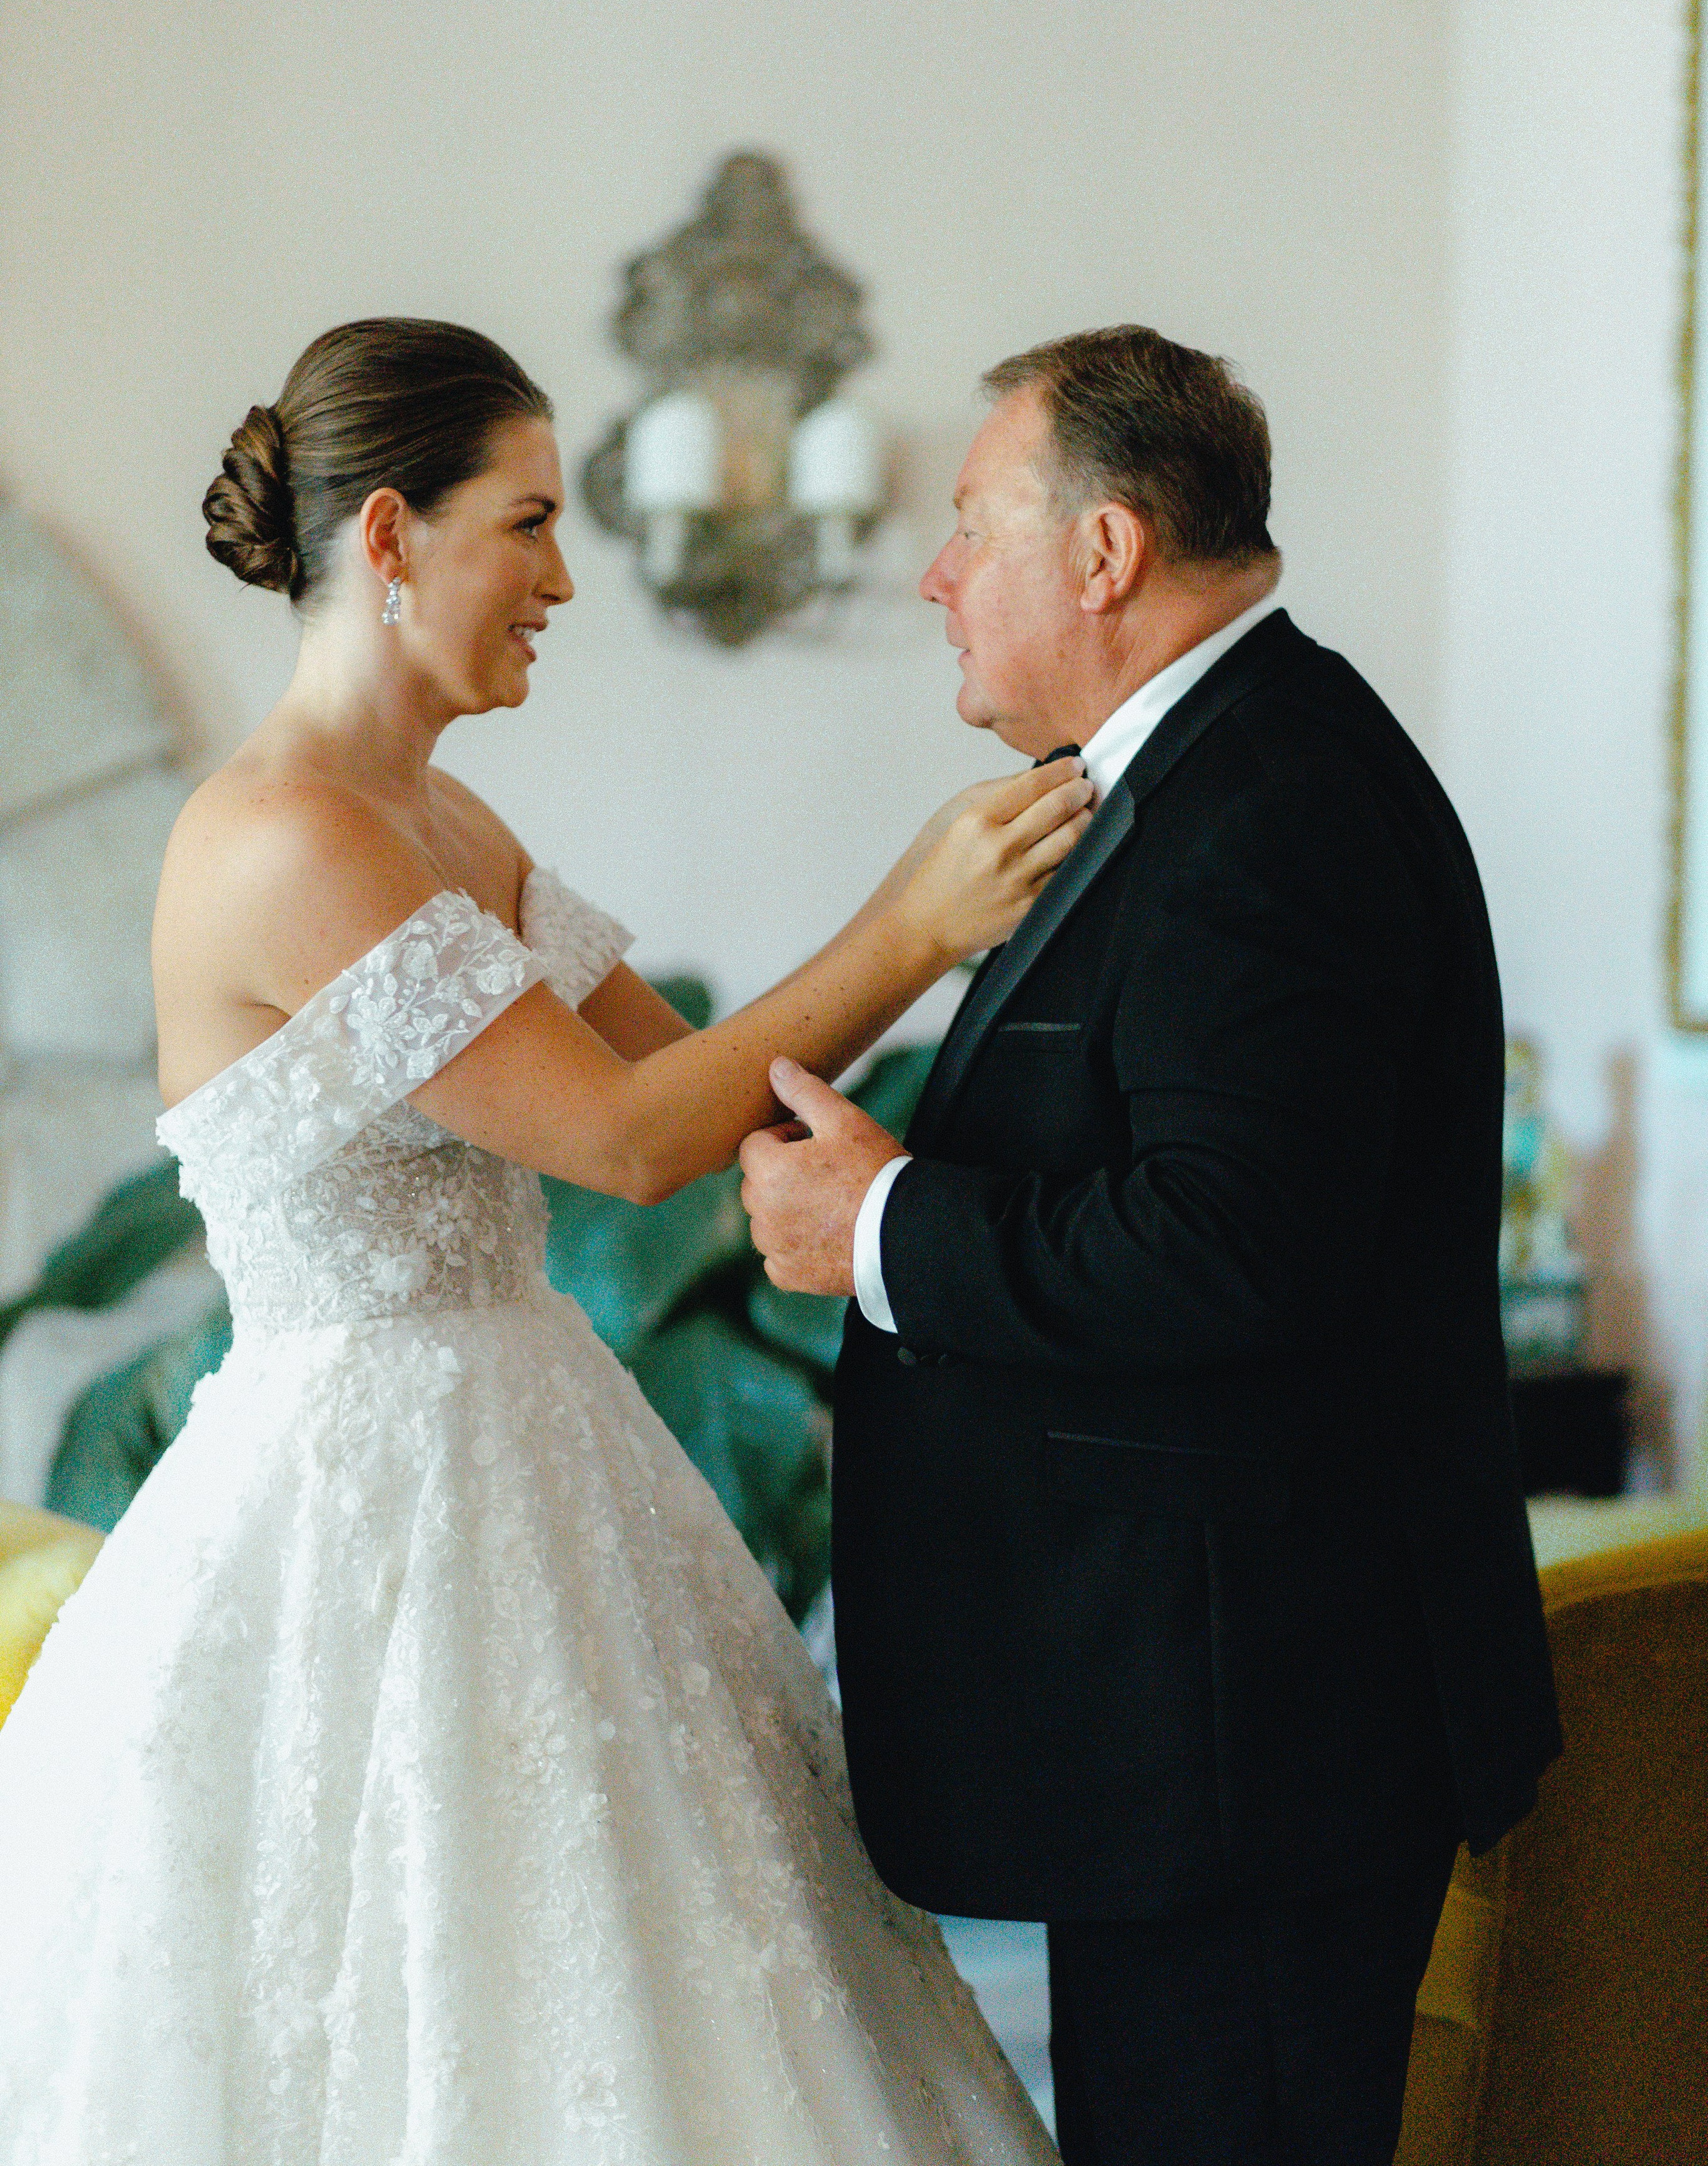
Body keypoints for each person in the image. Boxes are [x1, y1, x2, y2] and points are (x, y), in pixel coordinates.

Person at [0, 316, 1091, 2165]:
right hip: (350, 1507)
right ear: (391, 537)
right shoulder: (279, 837)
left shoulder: (446, 816)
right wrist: (911, 922)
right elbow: (621, 1140)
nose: (562, 579)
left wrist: (934, 1148)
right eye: (529, 523)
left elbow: (718, 1093)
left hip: (547, 1469)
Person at [740, 325, 1564, 2166]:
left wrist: (875, 1220)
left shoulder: (1266, 808)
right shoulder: (1215, 774)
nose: (938, 577)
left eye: (969, 528)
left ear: (1103, 556)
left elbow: (1231, 1243)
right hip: (1202, 1735)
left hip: (1248, 1742)